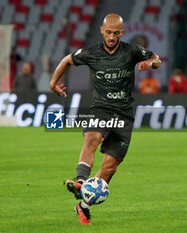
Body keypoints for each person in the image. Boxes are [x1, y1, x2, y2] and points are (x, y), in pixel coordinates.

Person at [50, 14, 161, 225]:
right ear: (102, 30)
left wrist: (149, 63)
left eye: (116, 33)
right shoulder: (91, 53)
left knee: (110, 168)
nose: (111, 36)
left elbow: (157, 59)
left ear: (122, 32)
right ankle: (81, 180)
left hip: (124, 114)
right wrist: (53, 83)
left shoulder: (132, 50)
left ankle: (83, 206)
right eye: (108, 32)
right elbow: (67, 60)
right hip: (101, 108)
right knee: (92, 137)